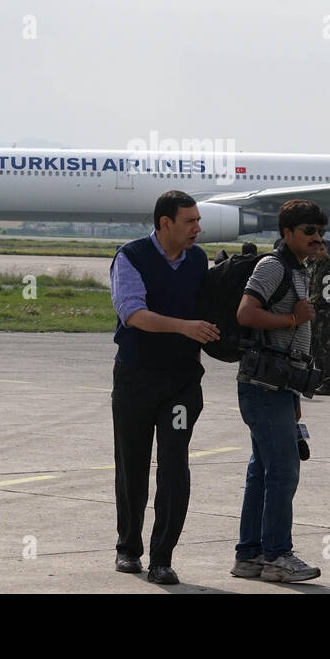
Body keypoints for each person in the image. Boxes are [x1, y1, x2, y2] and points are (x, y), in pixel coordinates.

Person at [109, 190, 217, 585]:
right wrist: (183, 326)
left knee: (174, 466)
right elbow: (134, 314)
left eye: (198, 220)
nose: (197, 228)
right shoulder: (131, 257)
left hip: (182, 382)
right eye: (189, 221)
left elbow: (209, 306)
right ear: (164, 223)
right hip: (137, 377)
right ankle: (128, 548)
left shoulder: (199, 260)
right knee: (132, 465)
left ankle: (162, 558)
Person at [230, 200, 326, 583]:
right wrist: (292, 318)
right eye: (308, 231)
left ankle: (250, 555)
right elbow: (245, 312)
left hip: (280, 386)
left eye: (319, 231)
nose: (316, 237)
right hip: (262, 386)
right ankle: (277, 556)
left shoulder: (298, 269)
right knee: (284, 472)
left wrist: (295, 396)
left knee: (263, 471)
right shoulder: (273, 266)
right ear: (287, 232)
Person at [306, 245, 330, 394]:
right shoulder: (313, 264)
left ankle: (328, 383)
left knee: (325, 348)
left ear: (326, 250)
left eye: (321, 249)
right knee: (314, 348)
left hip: (325, 312)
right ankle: (319, 379)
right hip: (313, 310)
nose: (318, 252)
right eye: (316, 249)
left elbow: (329, 293)